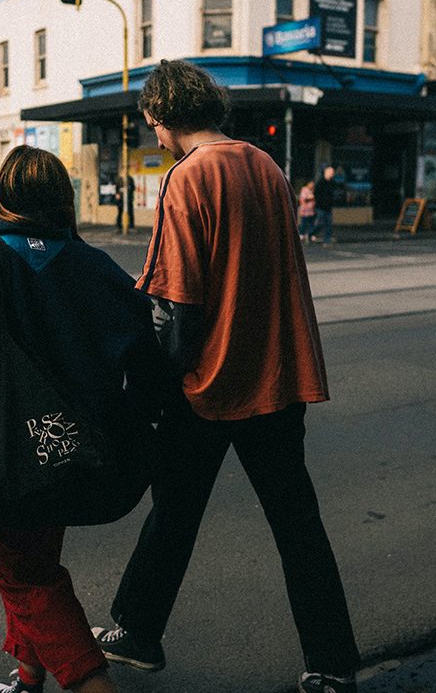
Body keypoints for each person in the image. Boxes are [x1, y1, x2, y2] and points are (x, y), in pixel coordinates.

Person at [91, 60, 361, 693]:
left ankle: (137, 631)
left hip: (209, 383)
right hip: (277, 374)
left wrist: (156, 383)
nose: (151, 133)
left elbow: (178, 302)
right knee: (298, 524)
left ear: (161, 114)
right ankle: (333, 663)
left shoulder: (187, 178)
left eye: (149, 121)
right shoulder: (264, 164)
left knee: (175, 511)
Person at [0, 146, 164, 693]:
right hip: (76, 447)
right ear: (62, 201)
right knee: (35, 555)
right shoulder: (96, 266)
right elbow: (144, 356)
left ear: (2, 196)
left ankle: (92, 682)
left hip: (5, 449)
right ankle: (28, 679)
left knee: (20, 572)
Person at [312, 166, 336, 244]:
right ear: (326, 172)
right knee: (319, 224)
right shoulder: (321, 182)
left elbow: (333, 193)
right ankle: (310, 233)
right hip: (320, 207)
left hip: (328, 207)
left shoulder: (332, 182)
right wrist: (320, 202)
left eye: (333, 172)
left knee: (328, 225)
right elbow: (316, 194)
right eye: (331, 172)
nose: (332, 174)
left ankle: (327, 240)